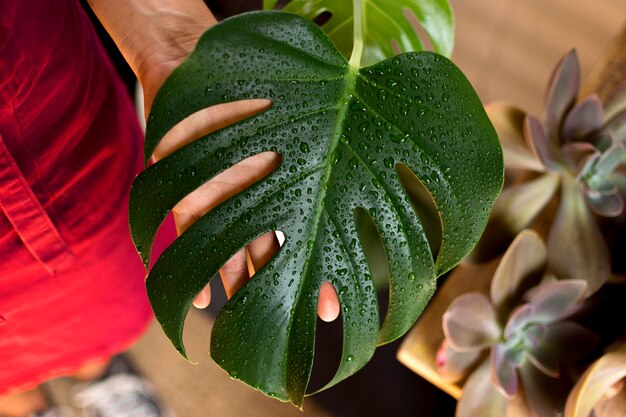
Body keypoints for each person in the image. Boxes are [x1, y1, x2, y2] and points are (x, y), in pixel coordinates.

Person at [0, 1, 340, 416]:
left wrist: (173, 42)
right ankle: (25, 406)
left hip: (44, 131)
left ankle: (101, 372)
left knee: (99, 300)